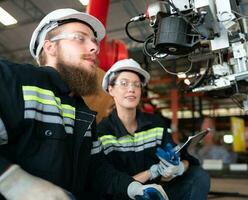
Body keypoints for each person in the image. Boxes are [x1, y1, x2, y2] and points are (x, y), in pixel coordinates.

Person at [0, 8, 168, 200]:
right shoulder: (12, 79)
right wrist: (12, 181)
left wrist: (132, 187)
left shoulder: (82, 112)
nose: (95, 48)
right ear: (50, 47)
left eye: (94, 41)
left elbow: (96, 170)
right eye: (80, 38)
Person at [97, 58, 211, 200]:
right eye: (124, 83)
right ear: (111, 89)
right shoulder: (102, 132)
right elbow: (108, 181)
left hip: (157, 194)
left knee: (198, 176)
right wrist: (152, 172)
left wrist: (177, 167)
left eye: (137, 85)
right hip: (124, 195)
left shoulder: (155, 123)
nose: (131, 89)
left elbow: (182, 157)